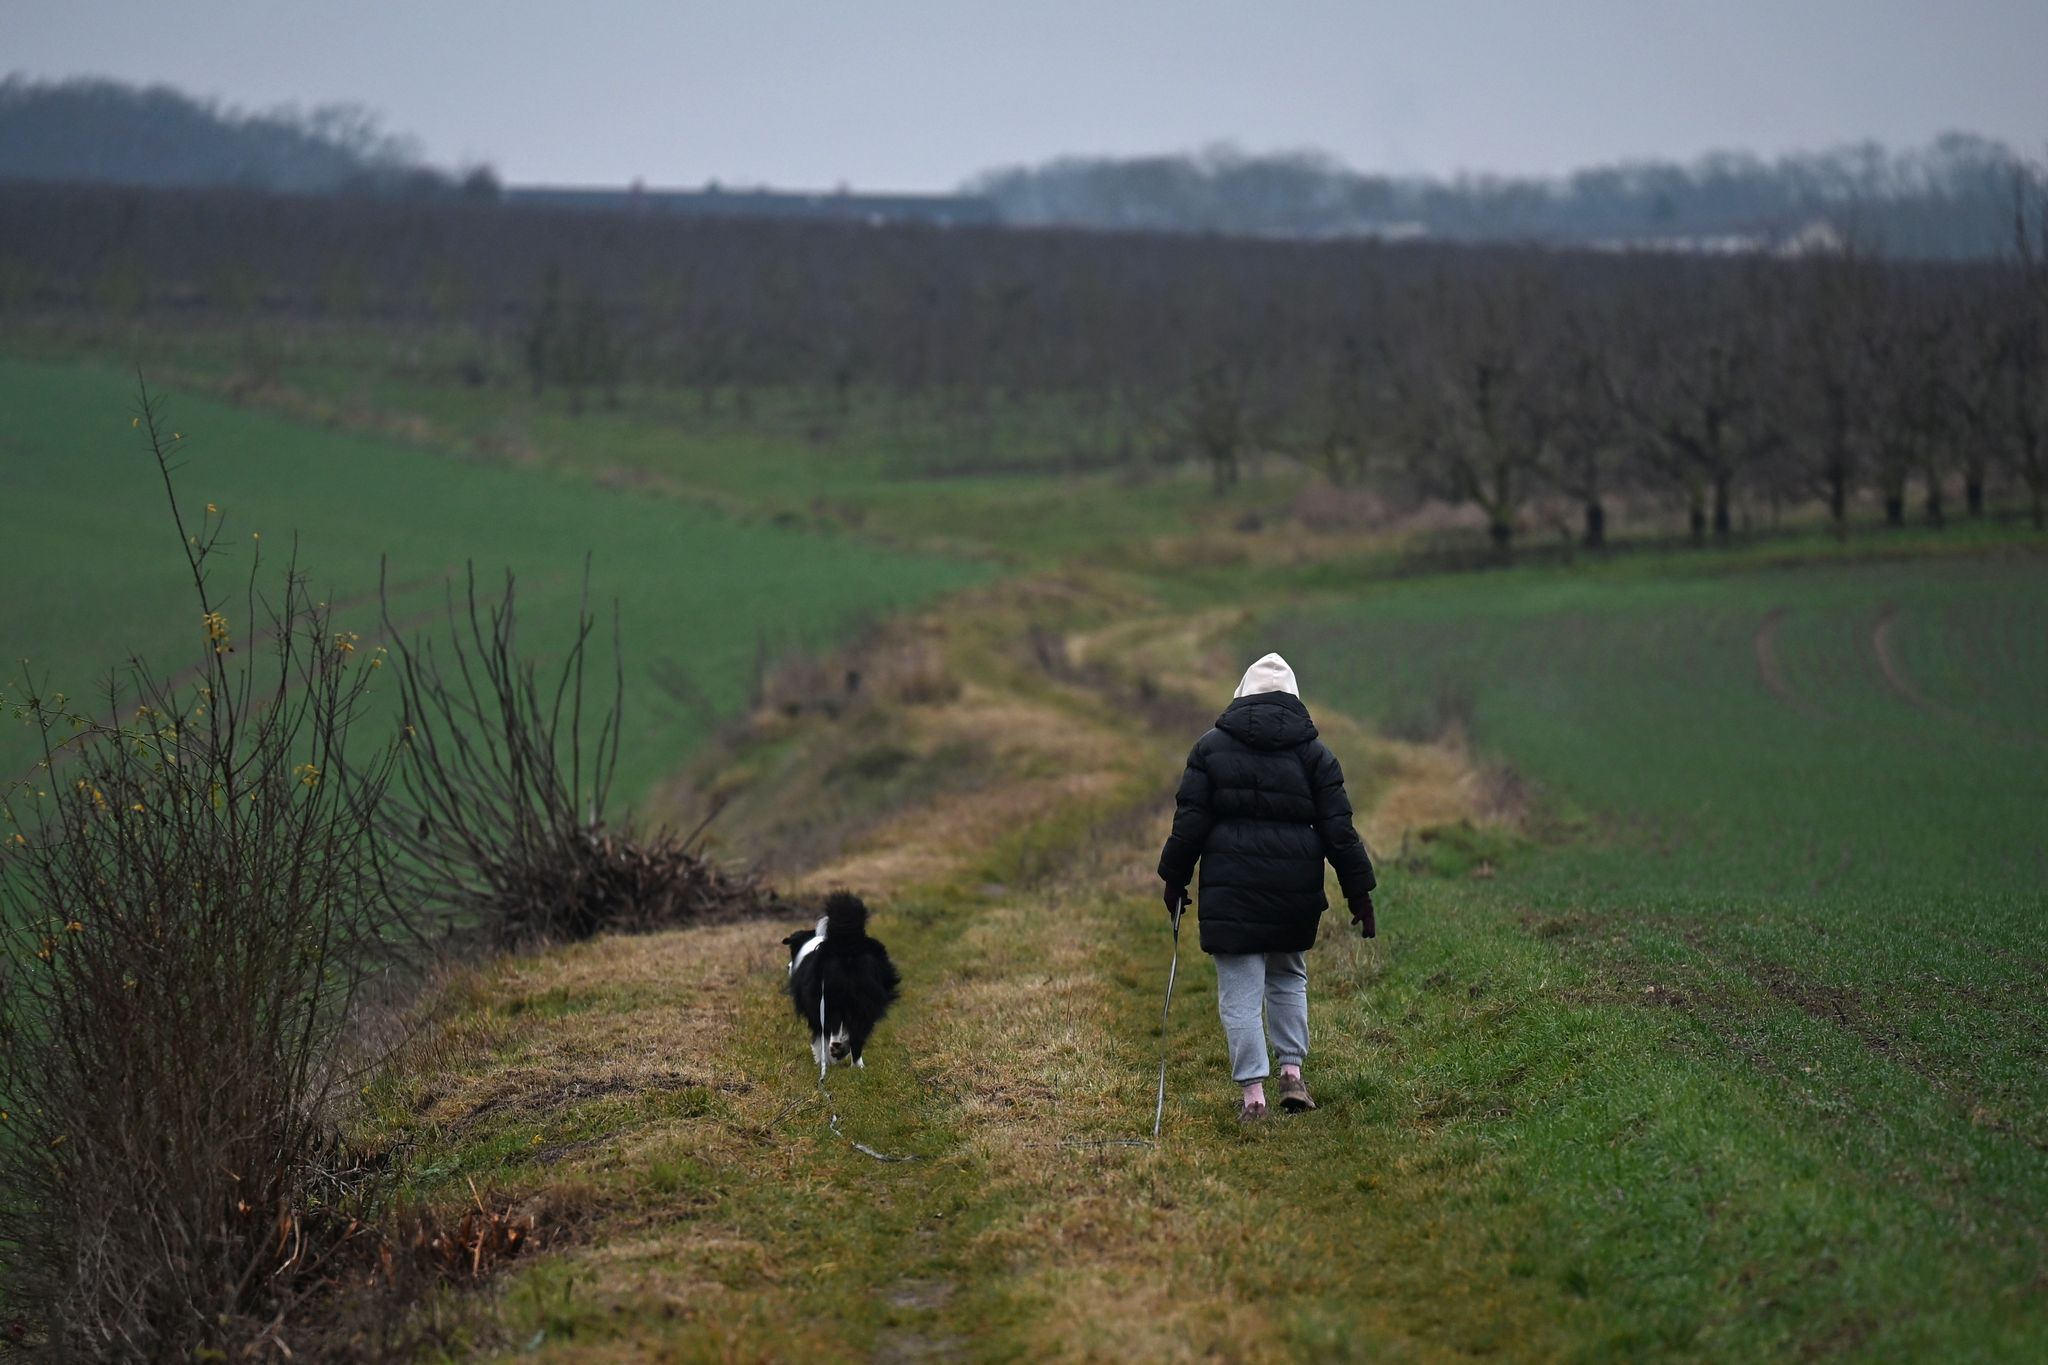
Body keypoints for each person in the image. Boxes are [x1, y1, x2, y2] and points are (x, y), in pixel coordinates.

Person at [1157, 652, 1376, 1121]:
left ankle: (1253, 1096)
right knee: (1287, 976)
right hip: (1292, 888)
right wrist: (1360, 893)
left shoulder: (1210, 748)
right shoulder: (1316, 755)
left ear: (1242, 694)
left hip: (1231, 890)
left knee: (1239, 989)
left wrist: (1174, 878)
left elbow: (1189, 823)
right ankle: (1292, 1074)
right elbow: (1339, 831)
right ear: (1294, 698)